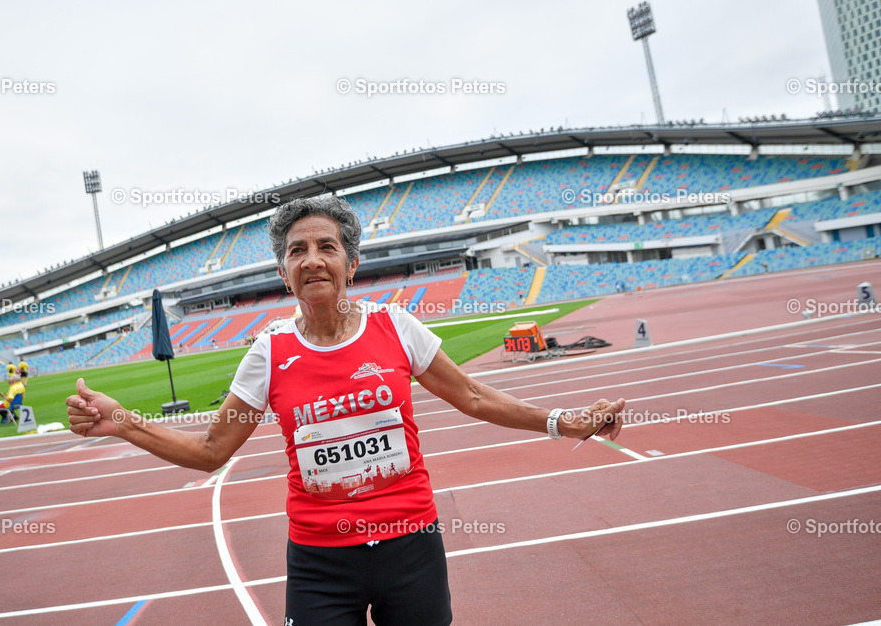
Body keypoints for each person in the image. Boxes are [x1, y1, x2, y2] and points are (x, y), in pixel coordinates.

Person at [66, 196, 626, 625]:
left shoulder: (396, 328)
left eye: (325, 247)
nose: (311, 260)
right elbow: (211, 451)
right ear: (284, 273)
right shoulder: (269, 352)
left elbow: (476, 397)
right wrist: (124, 424)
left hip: (411, 546)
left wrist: (563, 421)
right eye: (296, 251)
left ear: (351, 264)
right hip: (319, 561)